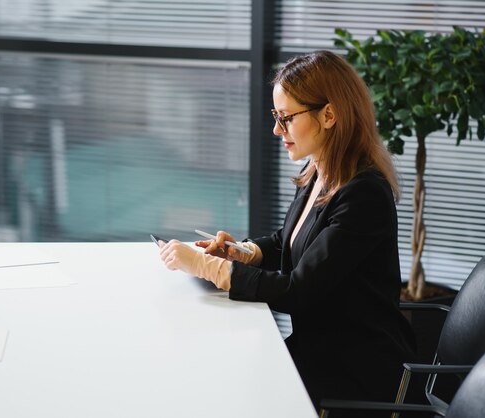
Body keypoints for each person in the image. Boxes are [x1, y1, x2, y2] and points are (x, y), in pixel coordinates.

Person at [157, 50, 416, 414]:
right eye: (276, 117)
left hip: (354, 365)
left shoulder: (364, 194)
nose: (278, 129)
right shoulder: (319, 170)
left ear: (329, 114)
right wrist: (238, 252)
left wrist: (208, 268)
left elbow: (299, 290)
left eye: (286, 118)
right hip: (319, 347)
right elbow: (287, 242)